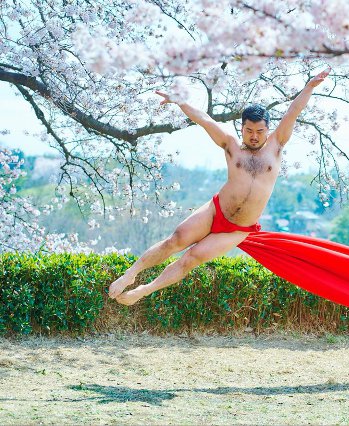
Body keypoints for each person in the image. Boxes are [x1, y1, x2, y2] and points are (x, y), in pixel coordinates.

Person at [108, 67, 331, 305]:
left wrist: (309, 88)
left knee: (190, 259)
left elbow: (294, 110)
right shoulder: (232, 146)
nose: (254, 136)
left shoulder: (276, 145)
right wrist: (181, 102)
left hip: (237, 228)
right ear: (242, 128)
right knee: (175, 240)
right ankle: (130, 274)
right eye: (249, 131)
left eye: (259, 131)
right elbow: (205, 120)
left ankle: (143, 291)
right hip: (215, 210)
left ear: (267, 130)